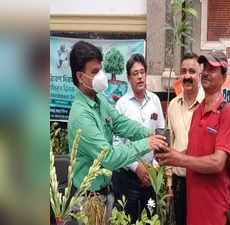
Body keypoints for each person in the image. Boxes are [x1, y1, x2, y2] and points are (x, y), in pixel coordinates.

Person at [67, 41, 167, 222]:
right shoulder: (81, 115)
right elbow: (109, 157)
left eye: (101, 69)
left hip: (106, 193)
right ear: (80, 77)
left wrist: (148, 134)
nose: (102, 76)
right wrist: (147, 143)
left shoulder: (100, 100)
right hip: (88, 200)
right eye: (95, 72)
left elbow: (120, 123)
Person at [157, 51, 230, 225]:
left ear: (223, 76)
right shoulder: (197, 112)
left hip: (214, 209)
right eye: (204, 67)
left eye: (212, 69)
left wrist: (180, 159)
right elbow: (193, 150)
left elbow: (217, 162)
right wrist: (170, 155)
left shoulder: (227, 112)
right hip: (192, 204)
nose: (206, 72)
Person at [112, 53, 165, 222]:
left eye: (142, 72)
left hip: (152, 179)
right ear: (128, 78)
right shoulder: (122, 105)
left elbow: (162, 135)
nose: (140, 77)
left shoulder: (155, 100)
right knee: (130, 219)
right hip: (129, 180)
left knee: (150, 216)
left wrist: (154, 167)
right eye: (135, 73)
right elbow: (117, 143)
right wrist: (137, 168)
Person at [166, 52, 204, 225]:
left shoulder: (208, 105)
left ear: (200, 75)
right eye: (184, 71)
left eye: (192, 71)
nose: (187, 76)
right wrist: (169, 184)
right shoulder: (173, 105)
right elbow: (168, 145)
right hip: (180, 183)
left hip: (203, 182)